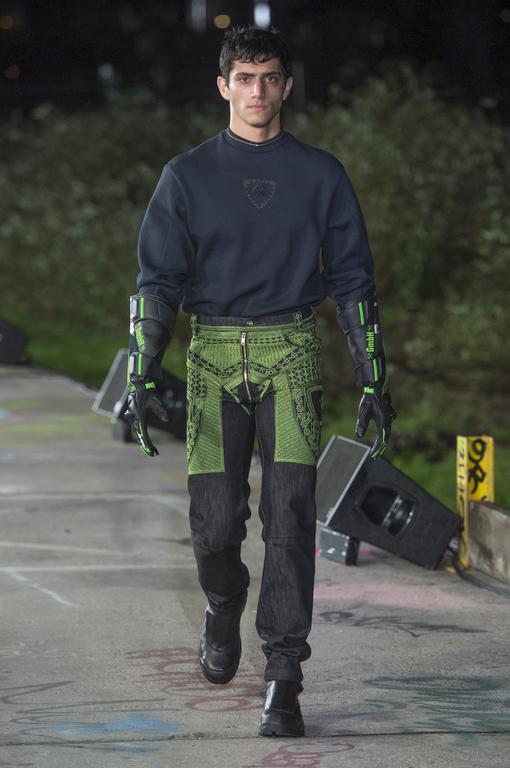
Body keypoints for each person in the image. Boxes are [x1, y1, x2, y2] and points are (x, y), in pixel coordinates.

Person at [126, 25, 395, 738]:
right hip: (213, 359)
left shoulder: (321, 174)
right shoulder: (185, 176)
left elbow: (354, 281)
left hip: (291, 356)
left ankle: (284, 676)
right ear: (223, 86)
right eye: (243, 78)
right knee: (215, 525)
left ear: (287, 86)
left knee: (291, 517)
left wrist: (373, 378)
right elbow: (157, 281)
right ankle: (223, 605)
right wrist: (141, 369)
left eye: (269, 77)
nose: (257, 90)